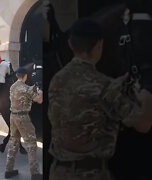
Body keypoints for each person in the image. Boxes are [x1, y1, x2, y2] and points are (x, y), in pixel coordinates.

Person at [47, 18, 152, 180]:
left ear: (70, 44)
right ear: (99, 45)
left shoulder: (56, 80)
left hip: (58, 172)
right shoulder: (105, 87)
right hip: (91, 174)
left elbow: (81, 95)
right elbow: (144, 124)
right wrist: (146, 94)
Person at [5, 67, 43, 180]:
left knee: (13, 143)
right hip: (23, 117)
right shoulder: (27, 89)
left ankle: (9, 170)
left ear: (17, 76)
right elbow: (39, 100)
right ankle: (35, 173)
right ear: (25, 76)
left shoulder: (12, 86)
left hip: (13, 116)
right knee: (31, 144)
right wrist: (39, 91)